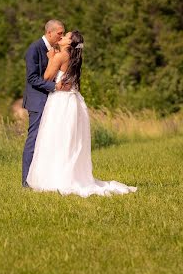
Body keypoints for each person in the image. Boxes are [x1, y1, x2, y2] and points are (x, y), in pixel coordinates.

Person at [26, 30, 137, 196]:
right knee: (71, 140)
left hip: (60, 102)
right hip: (74, 102)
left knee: (56, 139)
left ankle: (56, 178)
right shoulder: (75, 57)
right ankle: (71, 174)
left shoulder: (60, 56)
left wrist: (50, 59)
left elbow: (47, 77)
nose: (62, 38)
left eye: (65, 36)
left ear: (69, 43)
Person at [22, 19, 66, 187]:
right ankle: (26, 182)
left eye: (63, 33)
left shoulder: (55, 50)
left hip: (51, 101)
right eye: (59, 33)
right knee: (33, 141)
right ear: (49, 33)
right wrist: (54, 86)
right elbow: (32, 78)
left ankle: (43, 179)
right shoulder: (34, 49)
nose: (61, 37)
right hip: (37, 101)